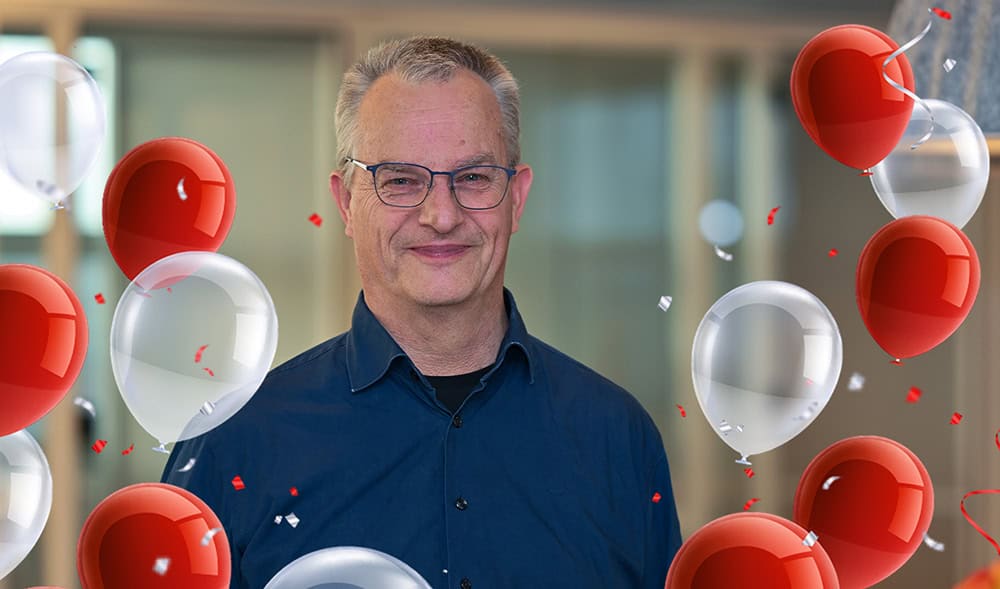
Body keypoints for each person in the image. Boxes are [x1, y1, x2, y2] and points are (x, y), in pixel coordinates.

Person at [162, 35, 682, 589]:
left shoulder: (617, 438)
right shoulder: (234, 442)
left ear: (518, 198)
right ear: (346, 203)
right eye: (401, 181)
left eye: (474, 178)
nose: (440, 215)